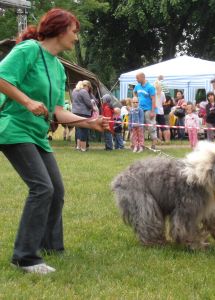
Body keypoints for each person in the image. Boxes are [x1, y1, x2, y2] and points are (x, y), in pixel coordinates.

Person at [0, 8, 109, 274]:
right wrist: (27, 101)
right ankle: (25, 257)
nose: (76, 38)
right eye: (74, 32)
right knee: (42, 188)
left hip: (37, 134)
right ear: (60, 30)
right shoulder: (27, 50)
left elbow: (59, 111)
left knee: (56, 190)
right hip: (13, 128)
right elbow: (1, 78)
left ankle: (50, 246)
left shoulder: (58, 67)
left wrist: (89, 123)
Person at [134, 72, 157, 150]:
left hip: (149, 109)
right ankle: (141, 145)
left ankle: (153, 144)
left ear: (142, 77)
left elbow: (154, 99)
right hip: (140, 109)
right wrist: (135, 99)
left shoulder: (150, 87)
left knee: (151, 127)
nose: (136, 80)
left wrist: (153, 111)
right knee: (141, 127)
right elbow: (134, 92)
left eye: (137, 78)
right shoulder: (137, 86)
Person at [71, 80, 94, 152]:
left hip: (75, 112)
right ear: (86, 86)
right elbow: (88, 103)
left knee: (78, 130)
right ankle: (83, 148)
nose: (88, 89)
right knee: (84, 130)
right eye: (88, 88)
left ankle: (78, 146)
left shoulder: (74, 90)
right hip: (84, 113)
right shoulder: (84, 91)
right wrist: (93, 107)